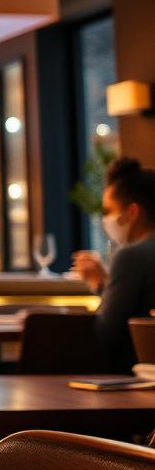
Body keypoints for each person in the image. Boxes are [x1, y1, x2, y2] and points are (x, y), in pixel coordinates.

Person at [71, 157, 155, 371]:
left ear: (133, 212)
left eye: (108, 210)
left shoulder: (131, 255)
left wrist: (101, 284)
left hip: (138, 379)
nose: (105, 219)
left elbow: (107, 333)